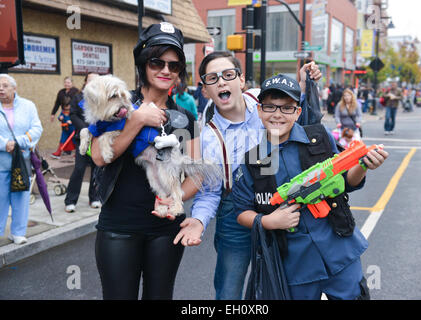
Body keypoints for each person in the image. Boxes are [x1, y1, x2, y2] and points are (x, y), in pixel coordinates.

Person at [173, 51, 322, 300]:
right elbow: (210, 190)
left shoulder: (265, 103)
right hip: (234, 213)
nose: (221, 82)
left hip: (282, 202)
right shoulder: (207, 138)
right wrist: (198, 220)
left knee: (290, 281)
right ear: (204, 90)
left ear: (241, 80)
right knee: (229, 289)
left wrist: (305, 86)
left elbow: (298, 114)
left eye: (228, 75)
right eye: (212, 78)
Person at [232, 74, 389, 300]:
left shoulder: (319, 137)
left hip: (340, 248)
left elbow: (345, 180)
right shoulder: (252, 160)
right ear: (259, 110)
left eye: (287, 108)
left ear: (298, 112)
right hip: (294, 263)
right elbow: (242, 211)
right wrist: (267, 221)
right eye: (270, 107)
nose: (277, 114)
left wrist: (363, 166)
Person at [91, 22, 200, 300]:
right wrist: (137, 120)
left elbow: (196, 176)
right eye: (157, 62)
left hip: (166, 230)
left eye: (173, 66)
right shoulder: (117, 106)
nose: (165, 70)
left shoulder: (185, 119)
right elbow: (99, 157)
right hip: (119, 227)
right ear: (143, 64)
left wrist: (175, 199)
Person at [0, 74, 43, 245]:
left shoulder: (28, 106)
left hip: (21, 162)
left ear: (14, 88)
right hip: (1, 162)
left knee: (21, 198)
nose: (1, 89)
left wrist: (18, 142)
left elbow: (37, 128)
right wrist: (5, 144)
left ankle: (17, 232)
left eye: (5, 85)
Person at [64, 73, 101, 213]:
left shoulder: (102, 98)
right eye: (90, 80)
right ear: (85, 82)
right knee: (79, 169)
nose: (93, 83)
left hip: (98, 139)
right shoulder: (78, 97)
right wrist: (84, 128)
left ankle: (95, 198)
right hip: (83, 140)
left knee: (96, 170)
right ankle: (70, 200)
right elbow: (72, 114)